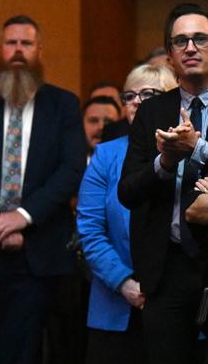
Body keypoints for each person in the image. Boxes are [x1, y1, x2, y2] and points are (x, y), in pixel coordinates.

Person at [0, 14, 86, 364]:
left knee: (21, 353)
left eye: (26, 43)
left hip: (37, 253)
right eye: (11, 43)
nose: (18, 51)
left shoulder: (63, 104)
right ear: (0, 49)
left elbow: (70, 170)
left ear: (39, 50)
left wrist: (22, 217)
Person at [118, 3, 208, 364]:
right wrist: (165, 162)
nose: (191, 48)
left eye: (200, 39)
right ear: (169, 55)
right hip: (165, 269)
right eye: (181, 41)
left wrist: (197, 149)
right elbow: (127, 191)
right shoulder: (152, 111)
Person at [77, 63, 176, 364]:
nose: (136, 102)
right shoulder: (106, 155)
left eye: (148, 94)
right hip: (115, 305)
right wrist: (124, 283)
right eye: (129, 95)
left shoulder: (190, 151)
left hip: (175, 300)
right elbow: (90, 231)